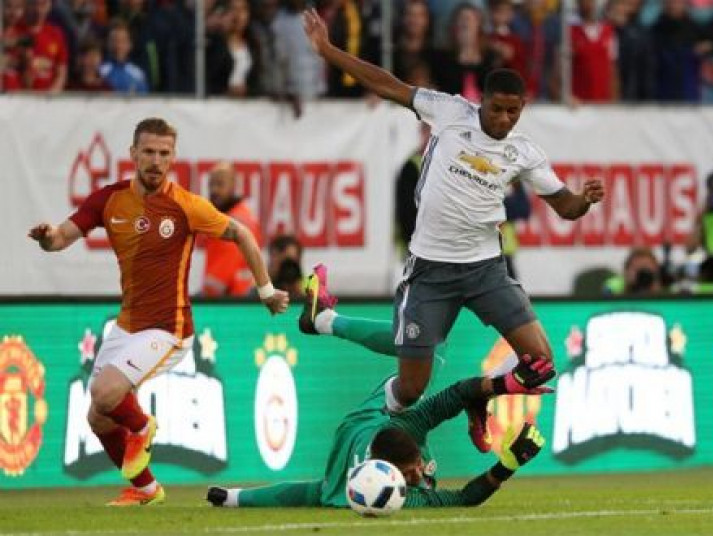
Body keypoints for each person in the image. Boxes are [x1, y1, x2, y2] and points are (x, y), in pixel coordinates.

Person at [302, 8, 605, 414]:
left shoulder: (524, 153)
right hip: (431, 269)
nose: (503, 119)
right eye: (496, 109)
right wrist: (327, 50)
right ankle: (378, 414)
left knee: (541, 363)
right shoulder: (449, 111)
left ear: (522, 107)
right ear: (482, 100)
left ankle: (477, 398)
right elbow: (386, 84)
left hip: (486, 269)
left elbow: (565, 206)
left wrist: (583, 200)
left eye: (513, 112)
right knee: (411, 390)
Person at [28, 118, 289, 506]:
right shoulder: (109, 199)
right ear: (133, 154)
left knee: (103, 391)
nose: (156, 160)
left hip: (169, 328)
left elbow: (242, 234)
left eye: (164, 153)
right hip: (127, 326)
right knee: (98, 416)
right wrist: (48, 238)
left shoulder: (185, 205)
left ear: (173, 157)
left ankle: (143, 426)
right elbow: (62, 236)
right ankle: (148, 490)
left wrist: (266, 290)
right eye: (148, 152)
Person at [206, 338, 551, 508]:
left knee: (431, 350)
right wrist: (507, 464)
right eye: (410, 474)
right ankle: (328, 320)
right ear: (386, 473)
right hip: (358, 439)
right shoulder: (383, 494)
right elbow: (461, 500)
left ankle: (328, 321)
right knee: (432, 347)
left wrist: (504, 385)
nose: (417, 475)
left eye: (415, 466)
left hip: (375, 410)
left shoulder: (408, 425)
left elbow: (453, 394)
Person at [202, 161, 262, 297]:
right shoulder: (243, 215)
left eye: (220, 184)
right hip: (240, 296)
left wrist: (206, 298)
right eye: (211, 184)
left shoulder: (232, 222)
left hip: (230, 298)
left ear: (233, 185)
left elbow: (222, 273)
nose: (214, 190)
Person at [268, 234, 305, 299]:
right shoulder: (259, 286)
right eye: (285, 264)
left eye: (291, 263)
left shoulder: (310, 288)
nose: (288, 270)